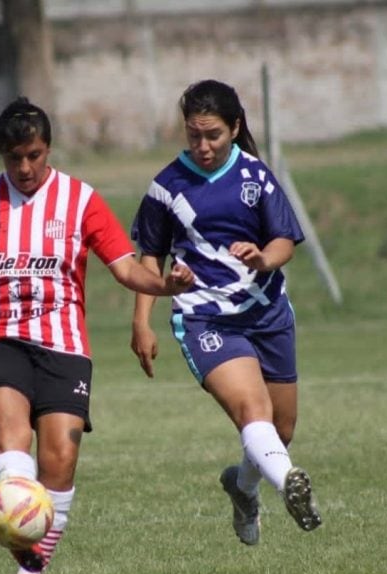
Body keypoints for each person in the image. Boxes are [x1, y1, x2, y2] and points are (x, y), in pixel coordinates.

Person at [0, 97, 193, 574]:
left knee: (61, 460)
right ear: (1, 154)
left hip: (64, 342)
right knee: (11, 432)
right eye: (14, 157)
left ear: (48, 149)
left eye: (34, 155)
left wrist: (166, 286)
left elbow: (126, 268)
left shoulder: (80, 200)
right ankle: (10, 512)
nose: (25, 168)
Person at [129, 80, 322, 547]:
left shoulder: (257, 177)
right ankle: (290, 484)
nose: (203, 146)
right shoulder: (167, 186)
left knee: (282, 427)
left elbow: (283, 241)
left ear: (234, 128)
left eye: (212, 134)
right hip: (205, 317)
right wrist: (141, 321)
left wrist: (263, 260)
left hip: (267, 312)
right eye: (193, 135)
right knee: (250, 410)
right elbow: (150, 256)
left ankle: (243, 486)